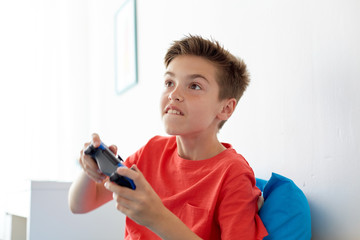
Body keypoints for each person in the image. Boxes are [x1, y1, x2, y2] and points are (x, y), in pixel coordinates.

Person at [68, 35, 268, 240]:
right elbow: (79, 205)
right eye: (169, 82)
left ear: (225, 108)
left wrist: (157, 217)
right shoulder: (151, 152)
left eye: (194, 86)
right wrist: (90, 172)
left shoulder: (233, 174)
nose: (174, 94)